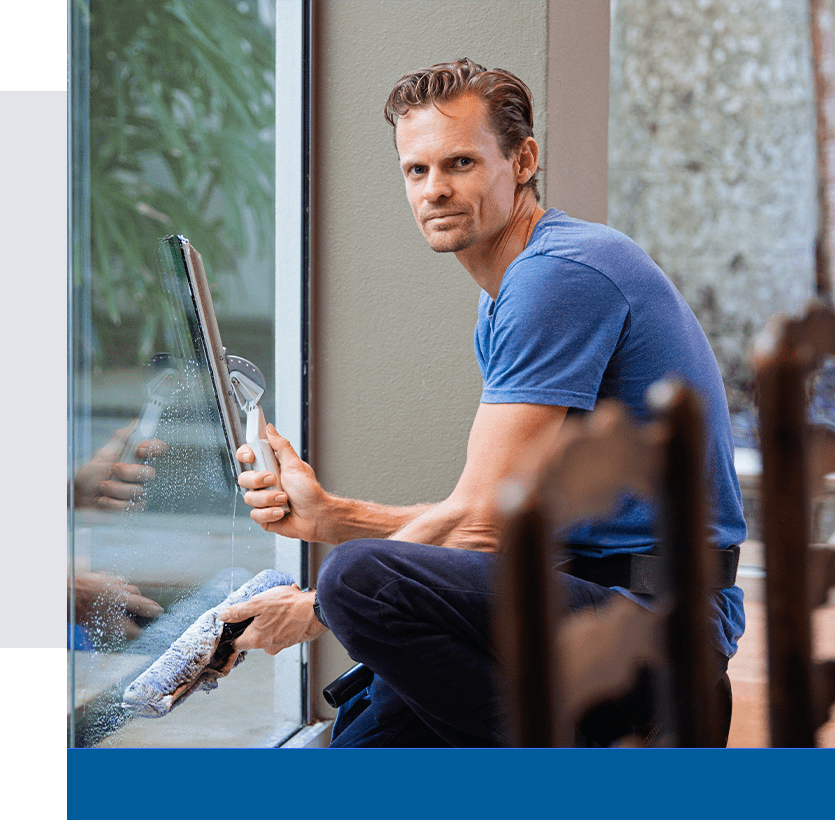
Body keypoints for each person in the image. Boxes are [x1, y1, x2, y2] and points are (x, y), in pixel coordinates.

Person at [219, 58, 746, 747]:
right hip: (583, 606)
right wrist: (333, 517)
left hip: (652, 634)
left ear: (523, 160)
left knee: (356, 583)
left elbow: (478, 525)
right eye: (417, 170)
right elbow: (503, 515)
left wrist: (314, 608)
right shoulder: (510, 290)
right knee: (357, 745)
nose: (434, 190)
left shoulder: (559, 275)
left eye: (459, 163)